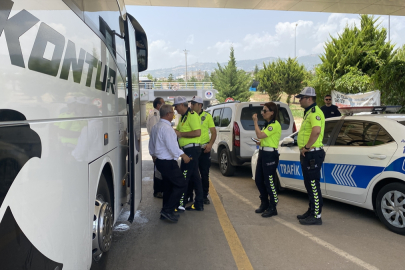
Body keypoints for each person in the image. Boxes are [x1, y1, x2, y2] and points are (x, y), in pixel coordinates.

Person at [149, 104, 191, 223]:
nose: (174, 114)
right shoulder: (167, 129)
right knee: (181, 184)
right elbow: (172, 147)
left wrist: (153, 155)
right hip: (168, 162)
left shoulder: (156, 126)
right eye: (172, 112)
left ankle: (166, 212)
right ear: (168, 114)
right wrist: (183, 155)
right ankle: (167, 210)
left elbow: (151, 144)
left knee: (168, 186)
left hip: (160, 161)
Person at [295, 87, 326, 225]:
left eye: (301, 98)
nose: (299, 100)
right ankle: (312, 210)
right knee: (309, 184)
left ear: (309, 98)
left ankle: (316, 216)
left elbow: (316, 131)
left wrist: (307, 147)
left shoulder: (314, 112)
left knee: (313, 184)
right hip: (308, 154)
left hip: (312, 153)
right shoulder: (308, 113)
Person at [173, 96, 204, 211]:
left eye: (176, 106)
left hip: (192, 150)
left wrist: (180, 134)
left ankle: (181, 204)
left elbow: (197, 132)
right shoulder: (183, 117)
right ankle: (199, 204)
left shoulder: (192, 115)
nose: (175, 109)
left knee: (184, 176)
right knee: (195, 177)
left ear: (182, 105)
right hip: (187, 149)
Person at [252, 102, 282, 218]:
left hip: (270, 155)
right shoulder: (267, 124)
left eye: (265, 111)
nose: (262, 113)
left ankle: (273, 206)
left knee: (269, 181)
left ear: (272, 112)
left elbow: (260, 135)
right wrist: (260, 142)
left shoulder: (274, 125)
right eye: (262, 111)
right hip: (263, 152)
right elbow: (263, 139)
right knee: (259, 179)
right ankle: (264, 202)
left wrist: (255, 122)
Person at [189, 96, 217, 205]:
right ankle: (189, 195)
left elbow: (214, 132)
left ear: (200, 105)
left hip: (204, 149)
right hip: (192, 148)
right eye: (191, 103)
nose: (191, 105)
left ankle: (204, 196)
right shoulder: (189, 116)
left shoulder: (207, 116)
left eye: (194, 104)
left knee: (204, 174)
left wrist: (210, 144)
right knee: (191, 173)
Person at [147, 97, 165, 198]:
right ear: (158, 105)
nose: (164, 104)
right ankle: (158, 191)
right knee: (158, 169)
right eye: (163, 103)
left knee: (160, 169)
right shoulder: (155, 114)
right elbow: (155, 131)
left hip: (158, 145)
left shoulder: (155, 113)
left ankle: (160, 189)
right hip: (157, 145)